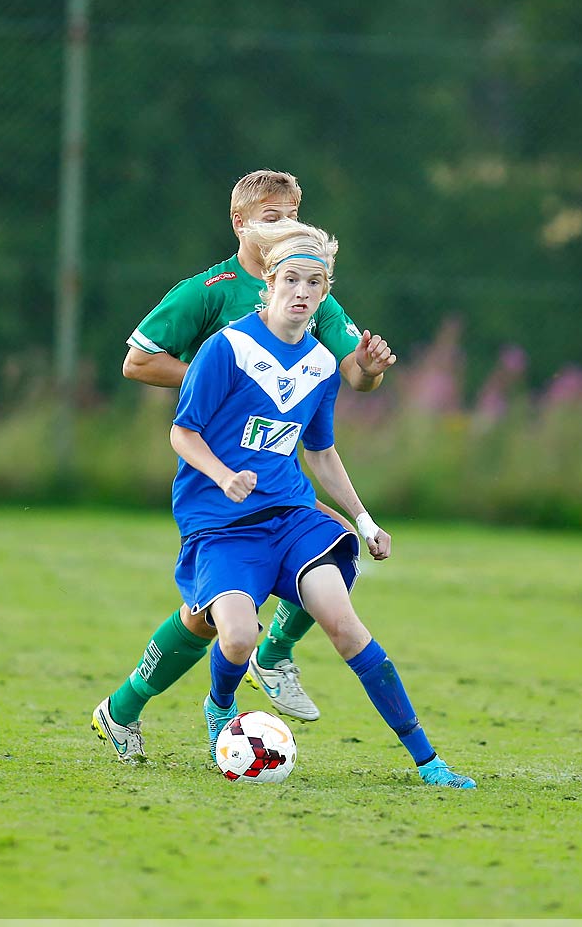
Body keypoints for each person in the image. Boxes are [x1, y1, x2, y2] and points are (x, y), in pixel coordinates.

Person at [92, 172, 395, 759]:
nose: (288, 228)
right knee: (209, 621)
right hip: (217, 478)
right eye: (273, 218)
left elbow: (354, 377)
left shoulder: (312, 289)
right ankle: (127, 706)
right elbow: (137, 363)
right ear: (240, 223)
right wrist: (227, 383)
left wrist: (369, 362)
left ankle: (272, 651)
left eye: (295, 215)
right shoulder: (209, 291)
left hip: (277, 479)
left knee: (327, 544)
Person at [165, 219, 473, 788]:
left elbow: (322, 453)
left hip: (289, 518)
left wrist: (364, 519)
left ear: (326, 292)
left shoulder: (323, 366)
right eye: (292, 280)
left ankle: (430, 761)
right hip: (222, 523)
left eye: (314, 282)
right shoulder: (224, 348)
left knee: (346, 625)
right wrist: (225, 474)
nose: (302, 292)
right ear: (270, 283)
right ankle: (220, 705)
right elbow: (184, 433)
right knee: (237, 637)